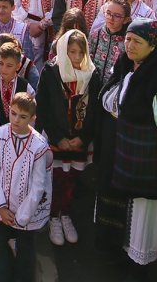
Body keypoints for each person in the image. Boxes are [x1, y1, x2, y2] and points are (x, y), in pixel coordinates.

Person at [92, 19, 157, 268]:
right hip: (118, 151)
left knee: (141, 215)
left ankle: (137, 265)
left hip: (145, 158)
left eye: (138, 41)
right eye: (128, 39)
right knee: (115, 205)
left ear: (153, 45)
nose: (130, 45)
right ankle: (113, 254)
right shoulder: (125, 65)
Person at [0, 91, 52, 282]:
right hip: (3, 210)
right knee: (0, 248)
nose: (16, 119)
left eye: (23, 116)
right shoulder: (0, 135)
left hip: (26, 213)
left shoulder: (39, 145)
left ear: (33, 119)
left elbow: (38, 185)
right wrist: (0, 206)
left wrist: (23, 216)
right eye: (13, 113)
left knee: (26, 252)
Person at [36, 29, 100, 247]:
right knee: (56, 178)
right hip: (58, 138)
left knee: (72, 178)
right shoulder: (51, 71)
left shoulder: (92, 73)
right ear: (63, 50)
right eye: (71, 52)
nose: (76, 57)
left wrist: (84, 136)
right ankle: (53, 216)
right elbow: (43, 107)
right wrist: (58, 136)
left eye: (81, 53)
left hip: (79, 139)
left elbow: (94, 110)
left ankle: (66, 214)